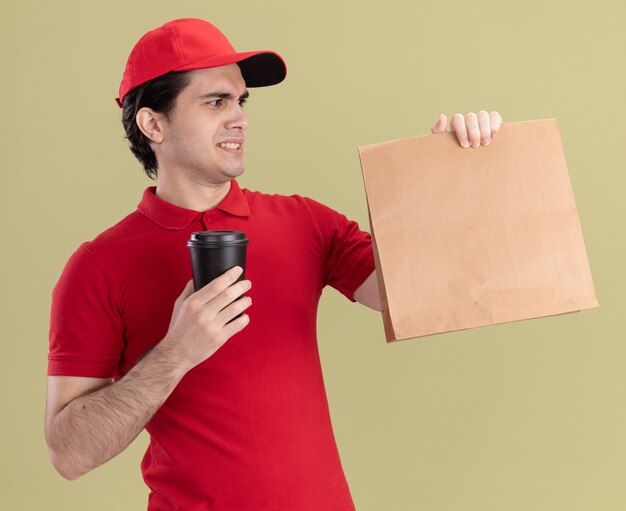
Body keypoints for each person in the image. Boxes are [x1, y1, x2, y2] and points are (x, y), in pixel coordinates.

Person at [45, 17, 502, 510]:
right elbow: (71, 455)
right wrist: (176, 352)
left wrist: (451, 168)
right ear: (153, 123)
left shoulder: (306, 224)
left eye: (241, 101)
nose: (239, 118)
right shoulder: (97, 266)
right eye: (216, 101)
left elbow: (431, 295)